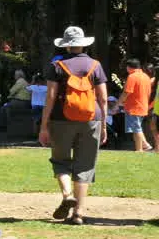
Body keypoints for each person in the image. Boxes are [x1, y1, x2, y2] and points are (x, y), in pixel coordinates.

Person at [38, 26, 108, 226]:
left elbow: (50, 97)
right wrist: (103, 125)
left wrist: (44, 126)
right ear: (83, 44)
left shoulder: (57, 66)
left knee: (60, 161)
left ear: (67, 46)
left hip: (61, 119)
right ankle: (78, 213)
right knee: (85, 165)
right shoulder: (96, 65)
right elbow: (103, 98)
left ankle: (67, 194)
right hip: (91, 118)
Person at [123, 59, 154, 152]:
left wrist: (119, 103)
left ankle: (141, 148)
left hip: (134, 107)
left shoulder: (132, 76)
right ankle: (143, 146)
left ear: (128, 67)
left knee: (136, 128)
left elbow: (127, 92)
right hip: (143, 106)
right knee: (137, 127)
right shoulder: (146, 76)